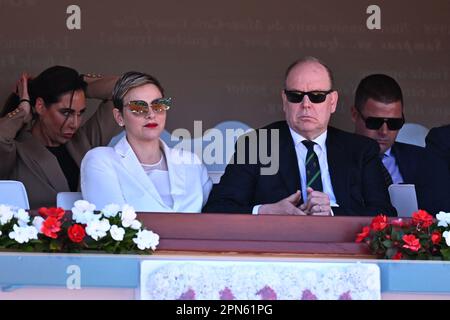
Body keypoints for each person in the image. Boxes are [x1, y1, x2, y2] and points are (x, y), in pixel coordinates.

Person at [203, 57, 395, 216]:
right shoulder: (256, 145)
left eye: (317, 96)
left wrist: (333, 213)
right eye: (296, 96)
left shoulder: (360, 150)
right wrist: (265, 211)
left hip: (345, 252)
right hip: (279, 253)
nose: (306, 104)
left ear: (333, 102)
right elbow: (218, 209)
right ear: (285, 101)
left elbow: (384, 213)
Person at [80, 71, 212, 212]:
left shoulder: (191, 162)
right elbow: (113, 224)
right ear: (119, 117)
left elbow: (212, 219)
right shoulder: (101, 159)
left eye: (158, 106)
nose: (151, 114)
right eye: (138, 107)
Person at [0, 66, 121, 208]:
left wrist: (81, 83)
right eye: (66, 112)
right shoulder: (16, 150)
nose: (75, 124)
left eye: (80, 113)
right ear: (40, 106)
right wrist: (22, 110)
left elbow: (126, 89)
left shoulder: (84, 141)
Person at [352, 74, 450, 215]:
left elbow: (441, 215)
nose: (384, 131)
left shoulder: (427, 160)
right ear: (355, 114)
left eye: (394, 123)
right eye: (374, 122)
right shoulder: (334, 157)